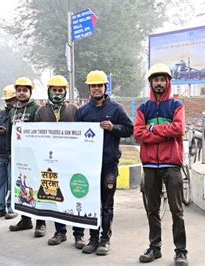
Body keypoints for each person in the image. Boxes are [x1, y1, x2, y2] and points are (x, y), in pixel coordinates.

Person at [134, 63, 188, 265]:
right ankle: (154, 248)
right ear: (150, 83)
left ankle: (181, 251)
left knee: (177, 210)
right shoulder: (143, 108)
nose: (159, 83)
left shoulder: (176, 106)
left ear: (168, 82)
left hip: (172, 165)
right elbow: (138, 133)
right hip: (149, 165)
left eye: (162, 79)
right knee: (152, 210)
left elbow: (179, 129)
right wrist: (162, 132)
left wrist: (152, 130)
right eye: (155, 80)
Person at [75, 70, 133, 256]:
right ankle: (92, 239)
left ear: (105, 87)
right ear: (89, 88)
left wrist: (114, 127)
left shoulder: (116, 109)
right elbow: (75, 135)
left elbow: (129, 129)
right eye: (93, 86)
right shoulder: (82, 111)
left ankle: (105, 240)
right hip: (89, 165)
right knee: (91, 203)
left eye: (99, 85)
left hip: (108, 164)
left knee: (107, 204)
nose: (96, 89)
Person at [35, 75, 85, 248]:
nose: (57, 93)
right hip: (51, 162)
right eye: (54, 90)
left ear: (65, 91)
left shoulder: (74, 109)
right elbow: (35, 135)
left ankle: (79, 235)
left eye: (60, 90)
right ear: (49, 91)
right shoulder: (41, 112)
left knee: (74, 196)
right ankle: (60, 232)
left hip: (71, 161)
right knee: (56, 197)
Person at [7, 77, 46, 237]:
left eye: (25, 90)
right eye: (19, 90)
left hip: (35, 156)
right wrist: (11, 153)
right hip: (19, 157)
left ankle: (40, 223)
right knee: (22, 188)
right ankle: (25, 219)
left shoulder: (37, 109)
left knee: (36, 188)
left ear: (30, 92)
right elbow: (11, 134)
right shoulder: (12, 111)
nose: (22, 93)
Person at [0, 85, 19, 220]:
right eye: (7, 100)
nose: (8, 102)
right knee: (0, 183)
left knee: (13, 183)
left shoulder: (19, 113)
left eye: (10, 99)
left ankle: (11, 208)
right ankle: (0, 207)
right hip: (0, 154)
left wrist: (7, 131)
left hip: (13, 155)